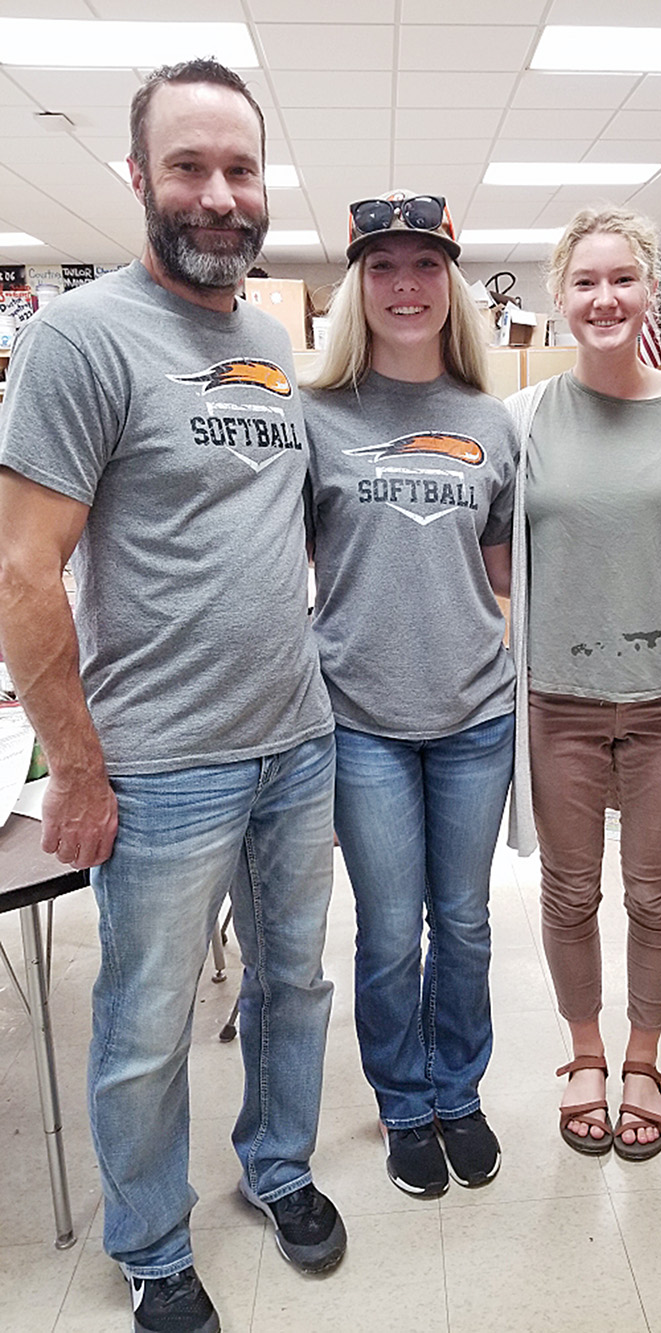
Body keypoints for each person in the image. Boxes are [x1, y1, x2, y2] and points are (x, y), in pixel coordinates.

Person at [0, 59, 345, 1333]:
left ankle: (279, 1169)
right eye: (189, 168)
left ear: (265, 188)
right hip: (160, 768)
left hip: (295, 743)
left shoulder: (264, 337)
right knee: (145, 1024)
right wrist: (77, 769)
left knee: (292, 985)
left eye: (240, 170)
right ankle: (150, 1240)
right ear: (139, 178)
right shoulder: (80, 339)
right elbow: (21, 570)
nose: (218, 194)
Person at [301, 192, 516, 1199]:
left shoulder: (488, 420)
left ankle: (457, 1089)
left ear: (450, 284)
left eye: (424, 266)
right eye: (381, 266)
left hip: (476, 714)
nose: (404, 285)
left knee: (464, 921)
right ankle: (402, 1102)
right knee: (390, 931)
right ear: (356, 285)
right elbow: (285, 562)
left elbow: (503, 578)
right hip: (361, 721)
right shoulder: (315, 417)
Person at [505, 208, 661, 1160]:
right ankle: (585, 1052)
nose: (604, 298)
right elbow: (492, 558)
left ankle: (644, 1057)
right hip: (558, 704)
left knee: (658, 892)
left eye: (622, 279)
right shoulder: (522, 420)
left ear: (650, 293)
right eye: (585, 282)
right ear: (560, 301)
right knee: (566, 892)